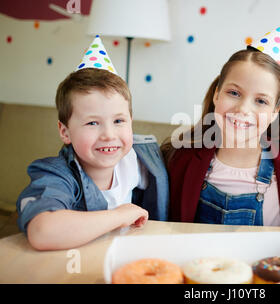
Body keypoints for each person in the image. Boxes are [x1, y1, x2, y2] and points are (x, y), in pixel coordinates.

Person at [162, 14, 280, 228]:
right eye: (234, 93)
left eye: (260, 101)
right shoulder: (178, 159)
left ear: (275, 112)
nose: (243, 109)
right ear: (216, 94)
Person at [16, 36, 169, 250]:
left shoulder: (142, 159)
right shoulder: (56, 175)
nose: (108, 134)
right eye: (92, 122)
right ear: (65, 131)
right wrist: (118, 216)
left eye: (118, 121)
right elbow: (43, 232)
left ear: (131, 122)